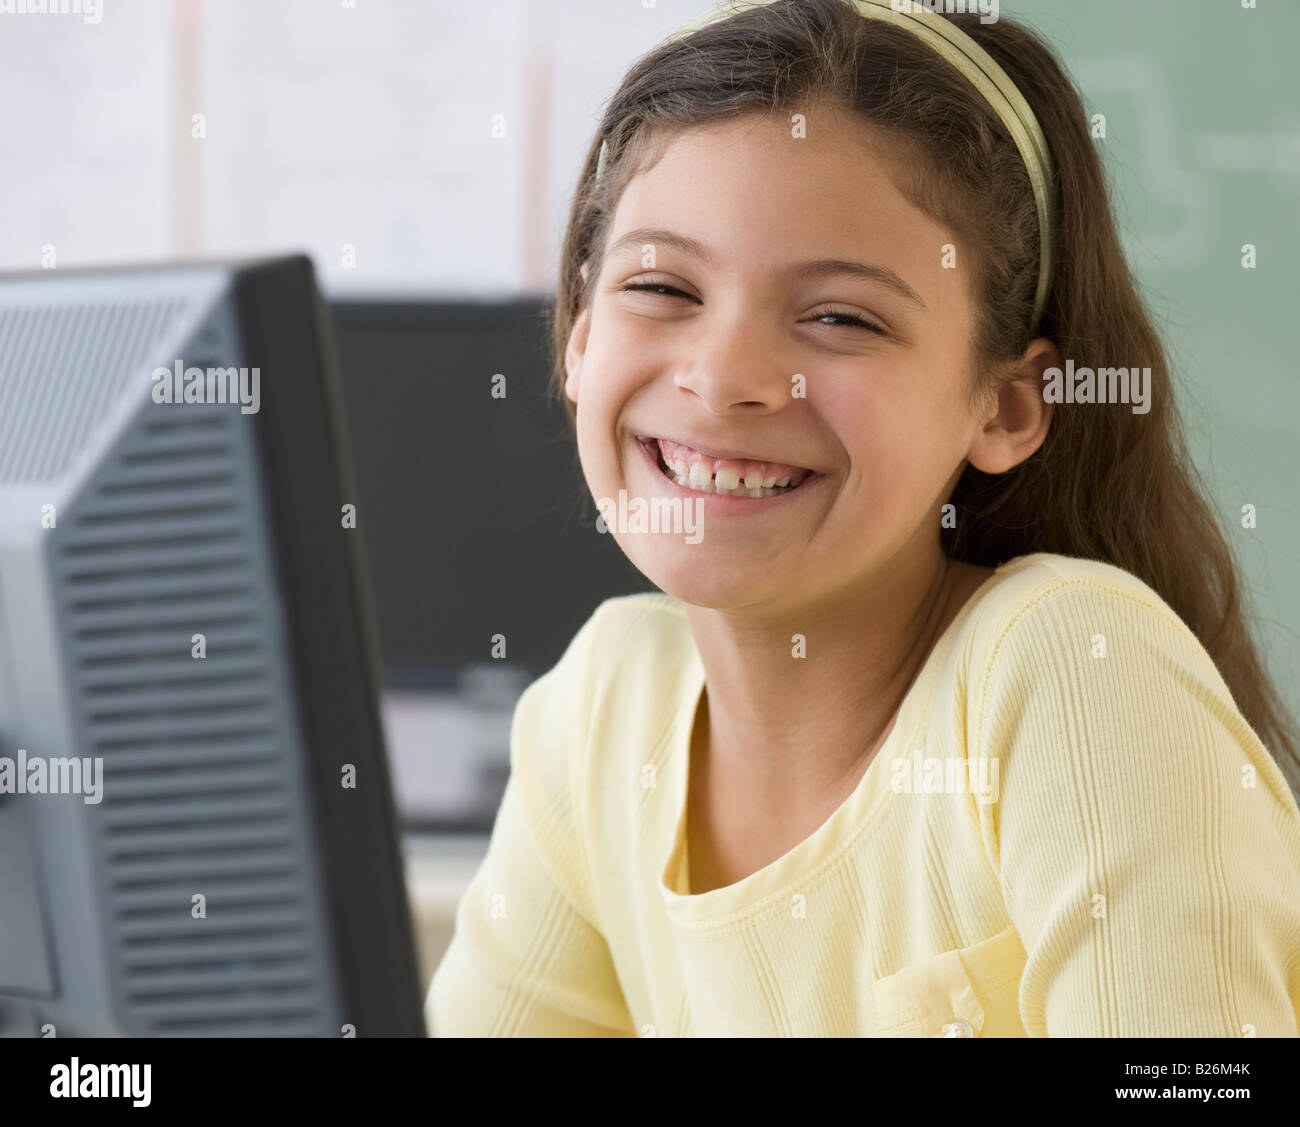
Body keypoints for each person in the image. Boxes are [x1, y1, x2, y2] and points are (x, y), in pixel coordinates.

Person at [428, 0, 1300, 1036]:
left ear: (1007, 406)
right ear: (577, 333)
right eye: (661, 286)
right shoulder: (603, 708)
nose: (723, 377)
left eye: (840, 316)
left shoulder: (1068, 666)